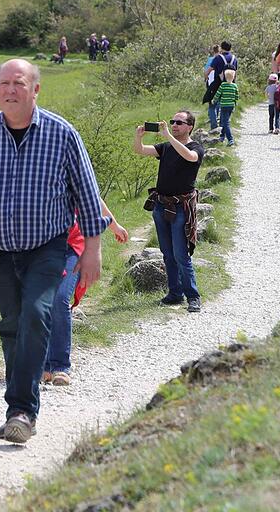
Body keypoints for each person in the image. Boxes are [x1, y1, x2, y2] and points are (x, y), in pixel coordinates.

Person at [0, 59, 109, 445]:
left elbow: (86, 193)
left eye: (18, 83)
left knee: (36, 314)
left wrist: (93, 250)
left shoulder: (62, 133)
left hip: (47, 247)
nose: (10, 90)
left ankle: (21, 411)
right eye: (4, 83)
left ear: (35, 89)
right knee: (12, 325)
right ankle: (21, 404)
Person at [43, 204, 127, 386]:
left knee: (60, 298)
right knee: (42, 300)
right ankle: (44, 364)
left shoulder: (76, 183)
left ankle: (60, 366)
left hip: (73, 246)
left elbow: (95, 198)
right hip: (42, 245)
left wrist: (115, 226)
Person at [133, 110, 205, 311]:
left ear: (190, 127)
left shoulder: (196, 147)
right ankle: (175, 293)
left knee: (181, 254)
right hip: (161, 205)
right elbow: (140, 150)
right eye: (173, 122)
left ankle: (193, 296)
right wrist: (138, 137)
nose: (174, 125)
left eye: (179, 123)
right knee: (167, 253)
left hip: (181, 207)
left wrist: (168, 137)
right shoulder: (166, 147)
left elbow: (190, 157)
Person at [215, 69, 239, 147]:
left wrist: (214, 100)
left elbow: (218, 94)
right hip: (231, 106)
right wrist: (235, 103)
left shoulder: (223, 85)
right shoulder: (235, 86)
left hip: (224, 105)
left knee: (225, 123)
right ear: (233, 77)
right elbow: (236, 96)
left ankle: (230, 139)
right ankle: (222, 136)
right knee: (225, 121)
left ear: (225, 77)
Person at [203, 44, 221, 130]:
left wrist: (205, 79)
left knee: (211, 101)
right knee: (218, 100)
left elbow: (206, 71)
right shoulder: (221, 59)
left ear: (213, 51)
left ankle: (213, 120)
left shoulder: (210, 59)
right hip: (219, 81)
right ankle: (217, 117)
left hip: (210, 82)